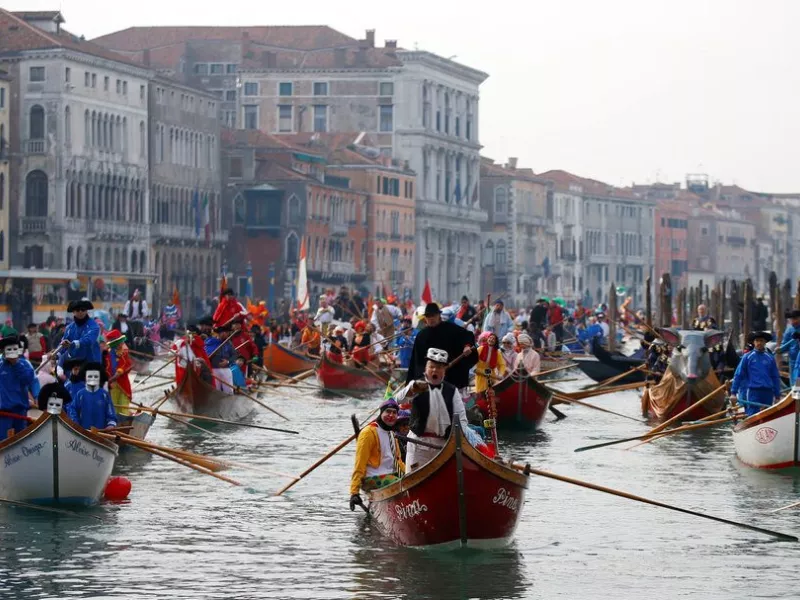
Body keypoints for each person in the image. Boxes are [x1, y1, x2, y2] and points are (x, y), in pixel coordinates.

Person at [395, 348, 471, 472]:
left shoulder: (452, 391)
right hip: (418, 444)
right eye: (432, 366)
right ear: (426, 369)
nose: (435, 370)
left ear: (444, 371)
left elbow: (461, 420)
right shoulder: (417, 385)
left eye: (439, 367)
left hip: (443, 446)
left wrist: (456, 441)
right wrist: (411, 390)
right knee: (413, 478)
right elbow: (398, 399)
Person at [348, 398, 405, 511]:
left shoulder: (392, 434)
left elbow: (398, 461)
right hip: (372, 478)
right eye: (388, 411)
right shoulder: (368, 433)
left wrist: (409, 474)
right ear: (381, 413)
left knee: (412, 480)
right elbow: (360, 463)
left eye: (394, 413)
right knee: (401, 484)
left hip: (391, 474)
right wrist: (354, 492)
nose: (391, 415)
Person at [405, 303, 477, 392]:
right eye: (428, 316)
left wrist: (467, 346)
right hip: (429, 379)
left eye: (433, 315)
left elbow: (467, 336)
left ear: (439, 315)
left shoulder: (450, 329)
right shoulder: (421, 336)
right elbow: (416, 361)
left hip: (452, 376)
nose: (431, 318)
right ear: (425, 318)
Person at [731, 331, 782, 417]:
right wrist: (733, 393)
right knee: (753, 415)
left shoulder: (770, 358)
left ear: (765, 342)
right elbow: (738, 375)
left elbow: (775, 377)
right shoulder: (747, 357)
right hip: (753, 392)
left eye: (761, 340)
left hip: (768, 392)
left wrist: (777, 396)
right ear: (753, 342)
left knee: (768, 416)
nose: (759, 343)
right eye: (757, 340)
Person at [0, 336, 36, 440]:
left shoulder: (25, 364)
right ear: (3, 351)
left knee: (21, 441)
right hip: (4, 411)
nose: (12, 352)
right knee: (3, 442)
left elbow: (28, 380)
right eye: (9, 349)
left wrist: (16, 364)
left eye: (14, 349)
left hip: (20, 410)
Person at [67, 363, 117, 430]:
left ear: (99, 378)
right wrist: (75, 423)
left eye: (95, 376)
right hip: (83, 432)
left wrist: (111, 424)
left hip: (101, 433)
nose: (93, 379)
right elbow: (73, 409)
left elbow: (111, 412)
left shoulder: (104, 394)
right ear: (85, 377)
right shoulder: (80, 394)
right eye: (90, 376)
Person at [59, 300, 102, 369]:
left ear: (86, 311)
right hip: (75, 365)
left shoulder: (94, 325)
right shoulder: (69, 327)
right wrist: (56, 354)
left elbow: (89, 340)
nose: (80, 312)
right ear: (73, 312)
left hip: (91, 363)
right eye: (77, 310)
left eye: (83, 309)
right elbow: (63, 343)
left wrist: (72, 344)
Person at [105, 330, 132, 417]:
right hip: (111, 384)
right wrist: (110, 379)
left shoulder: (124, 353)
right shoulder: (106, 355)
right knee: (113, 406)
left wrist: (119, 372)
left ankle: (125, 421)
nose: (122, 344)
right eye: (120, 342)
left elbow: (127, 364)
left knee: (124, 406)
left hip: (123, 384)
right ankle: (114, 421)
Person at [205, 327, 235, 393]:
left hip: (226, 369)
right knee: (216, 390)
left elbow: (234, 356)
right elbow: (206, 355)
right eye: (223, 332)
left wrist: (228, 361)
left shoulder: (229, 343)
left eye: (227, 332)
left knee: (229, 390)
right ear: (219, 334)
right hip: (214, 370)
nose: (225, 334)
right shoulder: (210, 342)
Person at [779, 309, 800, 385]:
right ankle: (795, 394)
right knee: (795, 382)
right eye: (792, 319)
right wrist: (780, 350)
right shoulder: (789, 329)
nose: (794, 321)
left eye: (795, 319)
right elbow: (784, 344)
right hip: (793, 361)